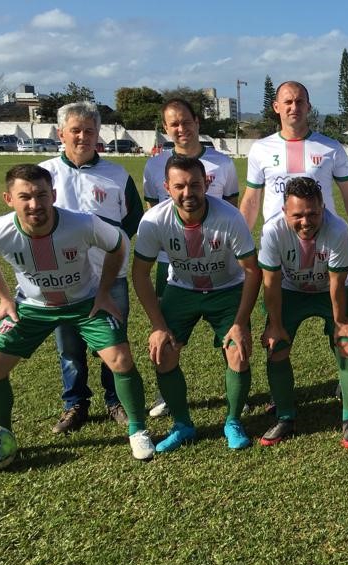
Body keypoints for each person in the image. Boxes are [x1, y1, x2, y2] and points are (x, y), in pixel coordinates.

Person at [0, 164, 153, 460]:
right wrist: (4, 297)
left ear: (53, 195)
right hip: (32, 308)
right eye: (25, 197)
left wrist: (104, 291)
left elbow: (117, 245)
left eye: (41, 195)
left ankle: (137, 431)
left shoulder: (82, 223)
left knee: (121, 359)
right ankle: (1, 439)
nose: (35, 204)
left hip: (85, 303)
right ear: (9, 199)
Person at [131, 156, 261, 452]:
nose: (187, 193)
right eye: (179, 186)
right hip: (182, 288)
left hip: (227, 288)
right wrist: (157, 325)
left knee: (238, 353)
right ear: (166, 187)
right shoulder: (153, 221)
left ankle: (233, 421)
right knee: (163, 353)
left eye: (195, 185)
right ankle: (183, 425)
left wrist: (240, 323)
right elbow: (139, 273)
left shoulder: (229, 217)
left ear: (207, 184)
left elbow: (252, 270)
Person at [40, 101, 143, 434]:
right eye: (75, 130)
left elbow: (132, 220)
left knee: (113, 341)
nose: (82, 137)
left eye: (89, 130)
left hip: (109, 278)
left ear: (98, 134)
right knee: (69, 347)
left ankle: (115, 400)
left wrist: (107, 253)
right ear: (61, 134)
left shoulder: (117, 175)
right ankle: (75, 404)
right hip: (62, 279)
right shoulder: (45, 174)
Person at [142, 97, 240, 418]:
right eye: (173, 124)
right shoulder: (155, 165)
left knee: (230, 335)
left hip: (218, 261)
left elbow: (232, 208)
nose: (181, 129)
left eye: (185, 121)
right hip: (173, 263)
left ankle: (238, 391)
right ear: (166, 128)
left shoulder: (222, 163)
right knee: (169, 332)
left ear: (197, 122)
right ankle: (165, 394)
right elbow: (151, 212)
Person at [258, 177, 348, 447]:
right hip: (291, 290)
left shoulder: (338, 229)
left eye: (313, 214)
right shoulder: (272, 230)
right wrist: (274, 324)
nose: (306, 221)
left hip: (330, 291)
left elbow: (336, 283)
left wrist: (340, 322)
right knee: (276, 345)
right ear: (284, 212)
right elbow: (270, 282)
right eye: (298, 215)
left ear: (323, 208)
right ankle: (285, 417)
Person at [240, 81, 348, 269]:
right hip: (278, 242)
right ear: (276, 107)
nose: (294, 107)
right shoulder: (260, 149)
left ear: (308, 106)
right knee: (277, 296)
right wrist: (241, 241)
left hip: (325, 240)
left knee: (333, 296)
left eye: (300, 102)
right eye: (288, 102)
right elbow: (251, 200)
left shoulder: (331, 147)